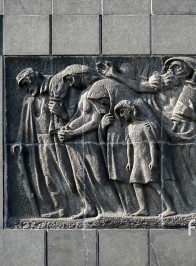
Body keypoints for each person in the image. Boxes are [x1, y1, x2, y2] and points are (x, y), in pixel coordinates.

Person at [58, 65, 121, 219]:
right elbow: (80, 115)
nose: (71, 84)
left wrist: (72, 133)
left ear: (82, 75)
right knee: (80, 175)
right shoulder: (82, 94)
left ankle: (118, 209)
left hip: (89, 140)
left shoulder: (97, 90)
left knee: (98, 175)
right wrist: (67, 127)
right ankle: (89, 206)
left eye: (71, 79)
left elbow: (95, 121)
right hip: (76, 142)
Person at [13, 68, 74, 218]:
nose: (27, 88)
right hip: (39, 143)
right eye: (24, 86)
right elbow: (24, 124)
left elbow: (76, 114)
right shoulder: (29, 101)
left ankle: (78, 206)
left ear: (34, 77)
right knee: (47, 176)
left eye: (27, 83)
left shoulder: (56, 91)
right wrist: (19, 142)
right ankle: (61, 208)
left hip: (57, 139)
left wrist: (62, 114)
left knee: (66, 173)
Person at [115, 100, 176, 217]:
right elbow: (129, 146)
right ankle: (143, 209)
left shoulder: (145, 125)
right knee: (136, 183)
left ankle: (170, 208)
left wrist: (153, 160)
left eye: (123, 111)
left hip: (146, 159)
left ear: (130, 110)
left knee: (154, 183)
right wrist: (129, 161)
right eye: (120, 113)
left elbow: (152, 143)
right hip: (137, 160)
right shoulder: (128, 128)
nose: (122, 115)